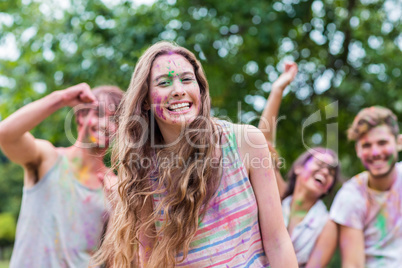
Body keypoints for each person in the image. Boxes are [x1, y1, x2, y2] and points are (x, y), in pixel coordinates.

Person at [92, 41, 297, 268]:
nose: (179, 90)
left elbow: (278, 241)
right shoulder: (142, 169)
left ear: (200, 89)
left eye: (187, 79)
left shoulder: (246, 142)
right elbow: (150, 258)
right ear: (146, 100)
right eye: (164, 82)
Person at [0, 83, 124, 267]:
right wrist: (61, 98)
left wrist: (119, 209)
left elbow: (116, 259)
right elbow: (6, 135)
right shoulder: (47, 160)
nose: (105, 124)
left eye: (114, 119)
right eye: (98, 114)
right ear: (81, 116)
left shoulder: (115, 187)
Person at [258, 62, 340, 268]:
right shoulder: (279, 196)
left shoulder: (328, 224)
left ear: (329, 186)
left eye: (331, 172)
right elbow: (262, 145)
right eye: (320, 165)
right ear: (299, 168)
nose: (325, 172)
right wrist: (278, 89)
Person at [330, 106, 402, 267]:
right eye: (367, 145)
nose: (375, 152)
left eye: (382, 142)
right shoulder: (351, 196)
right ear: (358, 150)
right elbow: (353, 264)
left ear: (399, 143)